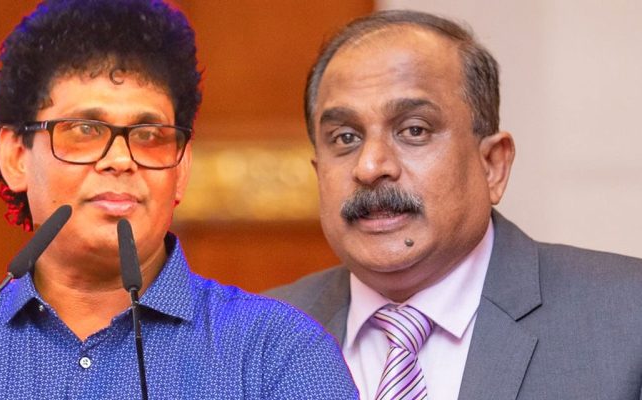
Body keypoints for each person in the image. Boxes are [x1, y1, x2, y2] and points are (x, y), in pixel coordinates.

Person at [0, 1, 357, 398]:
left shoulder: (276, 353)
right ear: (16, 157)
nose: (121, 160)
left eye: (149, 135)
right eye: (85, 130)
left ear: (181, 170)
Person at [266, 9, 642, 400]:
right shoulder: (252, 334)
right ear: (318, 172)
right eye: (345, 138)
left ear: (492, 165)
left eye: (414, 130)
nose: (370, 166)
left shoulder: (629, 320)